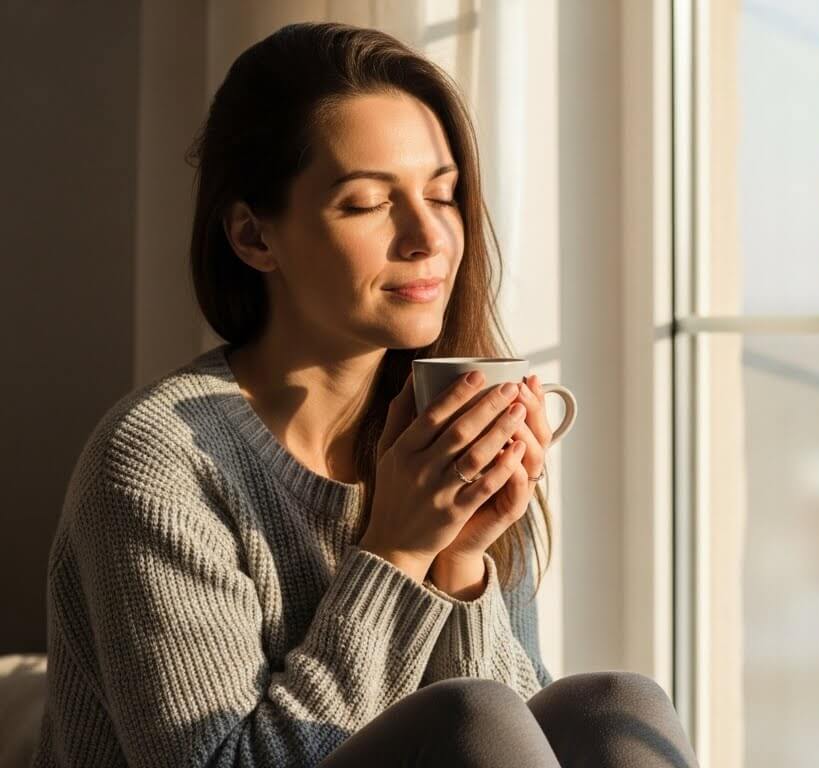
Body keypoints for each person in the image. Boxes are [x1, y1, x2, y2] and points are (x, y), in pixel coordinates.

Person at [31, 21, 698, 768]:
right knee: (473, 709)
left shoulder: (443, 436)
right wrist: (396, 551)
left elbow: (514, 737)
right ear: (255, 236)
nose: (428, 237)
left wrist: (461, 563)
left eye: (443, 196)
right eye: (367, 203)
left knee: (616, 706)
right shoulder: (159, 462)